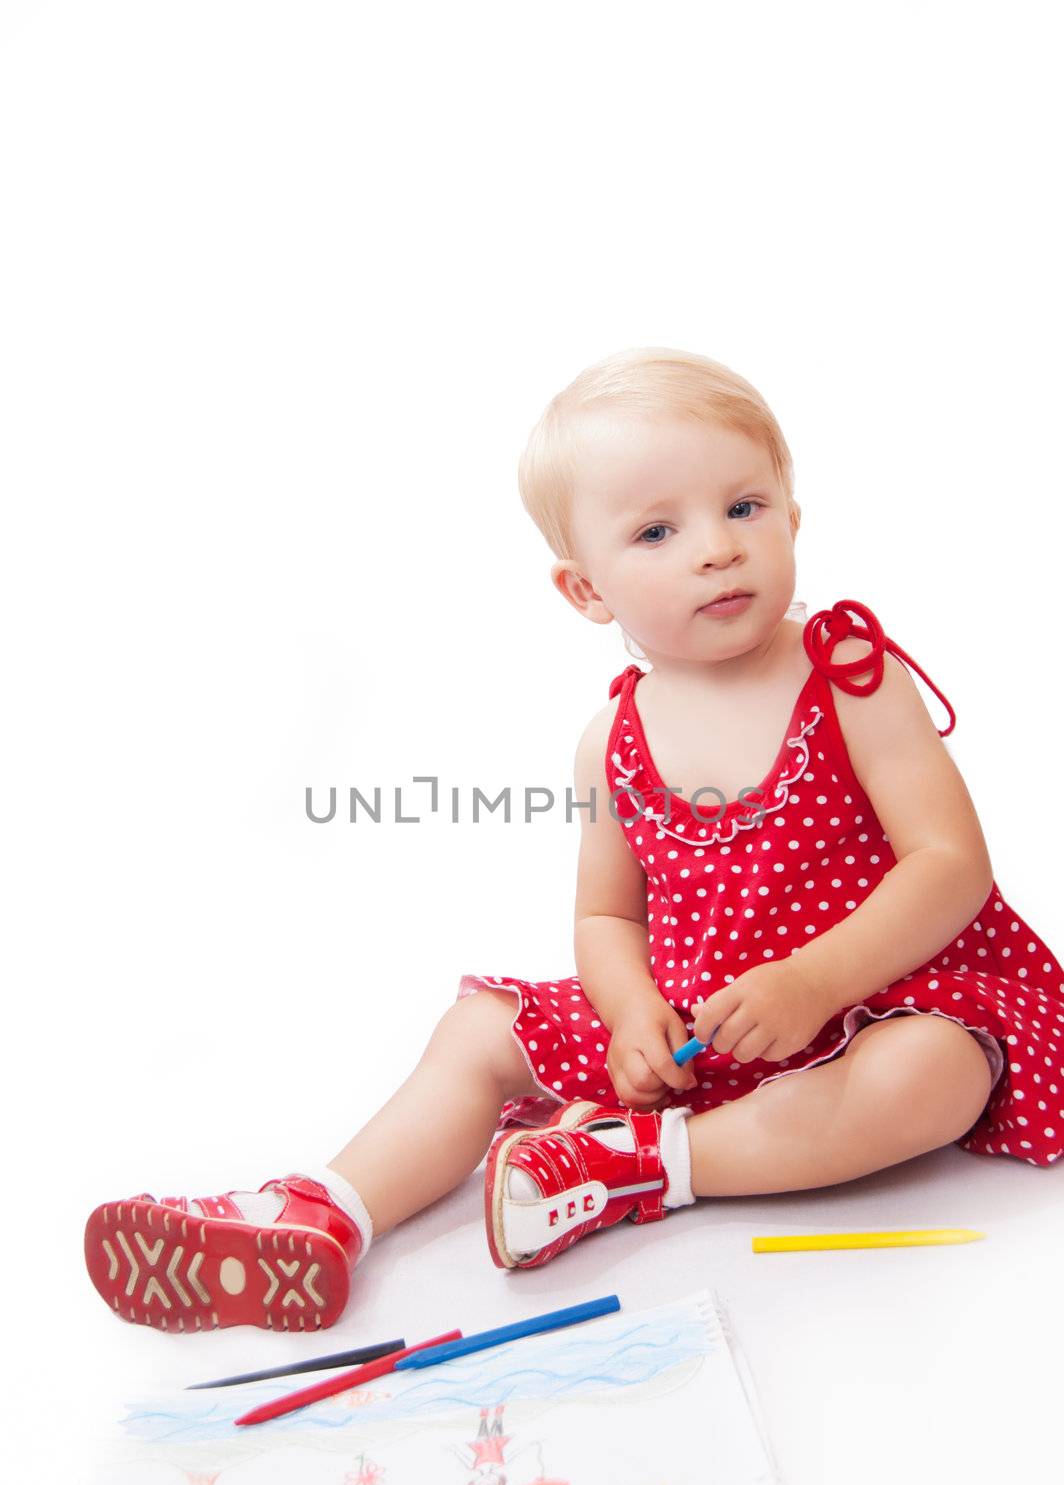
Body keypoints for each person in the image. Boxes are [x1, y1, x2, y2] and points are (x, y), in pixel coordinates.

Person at [84, 347, 1064, 1332]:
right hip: (694, 1030)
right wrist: (631, 1011)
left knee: (928, 1076)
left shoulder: (847, 672)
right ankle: (323, 1208)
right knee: (476, 1031)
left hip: (872, 1001)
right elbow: (604, 913)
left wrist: (812, 980)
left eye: (743, 507)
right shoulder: (611, 740)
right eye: (654, 530)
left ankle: (637, 1166)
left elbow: (949, 864)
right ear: (584, 590)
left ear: (791, 520)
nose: (715, 548)